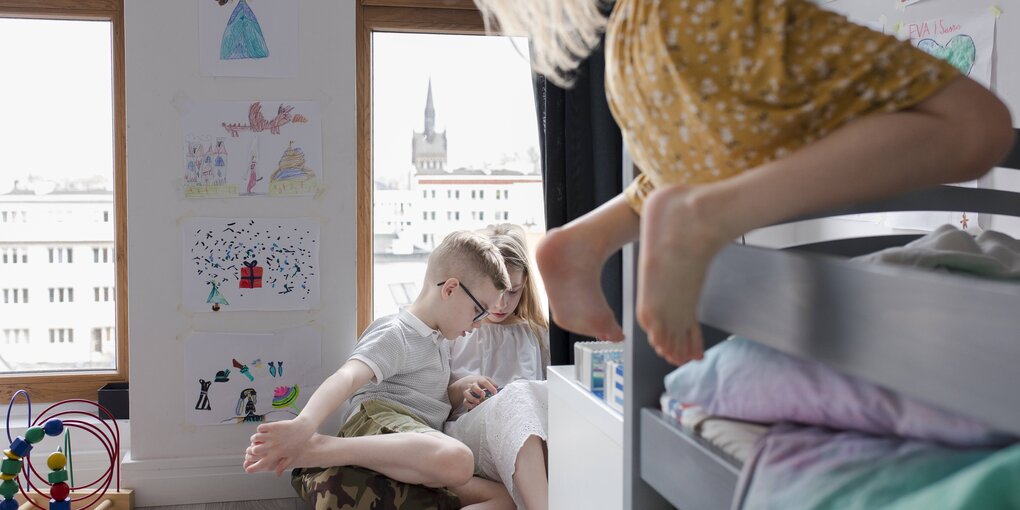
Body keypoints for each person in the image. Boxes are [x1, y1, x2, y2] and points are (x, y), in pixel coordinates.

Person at [474, 0, 1014, 365]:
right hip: (721, 19)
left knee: (729, 157)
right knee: (976, 126)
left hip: (639, 40)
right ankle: (706, 215)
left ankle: (589, 237)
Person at [243, 230, 515, 509]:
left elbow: (427, 392)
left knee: (506, 499)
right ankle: (319, 448)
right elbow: (347, 376)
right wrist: (304, 424)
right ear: (450, 289)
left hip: (413, 452)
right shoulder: (397, 332)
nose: (479, 323)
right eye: (478, 311)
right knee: (459, 460)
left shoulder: (438, 342)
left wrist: (461, 388)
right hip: (379, 421)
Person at [446, 224, 551, 510]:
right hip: (468, 434)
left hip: (524, 443)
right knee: (517, 395)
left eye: (513, 292)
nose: (502, 304)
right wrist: (461, 390)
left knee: (526, 396)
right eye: (496, 291)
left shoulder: (538, 336)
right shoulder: (455, 331)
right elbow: (432, 401)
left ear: (526, 284)